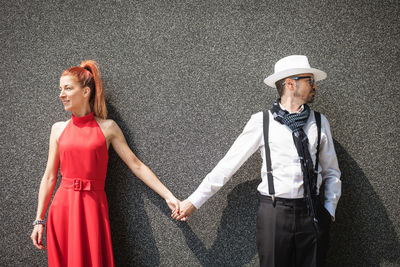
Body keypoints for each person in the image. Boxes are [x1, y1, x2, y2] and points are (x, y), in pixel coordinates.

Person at [174, 55, 342, 266]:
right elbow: (228, 165)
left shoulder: (319, 122)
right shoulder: (262, 122)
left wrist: (329, 210)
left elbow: (332, 171)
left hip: (313, 213)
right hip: (274, 213)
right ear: (290, 84)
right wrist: (194, 201)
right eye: (310, 81)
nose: (314, 86)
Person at [30, 60, 181, 267]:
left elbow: (136, 165)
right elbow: (49, 177)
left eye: (67, 88)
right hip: (63, 209)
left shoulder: (108, 128)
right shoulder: (58, 129)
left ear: (85, 92)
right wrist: (39, 220)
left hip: (93, 207)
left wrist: (168, 196)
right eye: (60, 89)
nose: (61, 94)